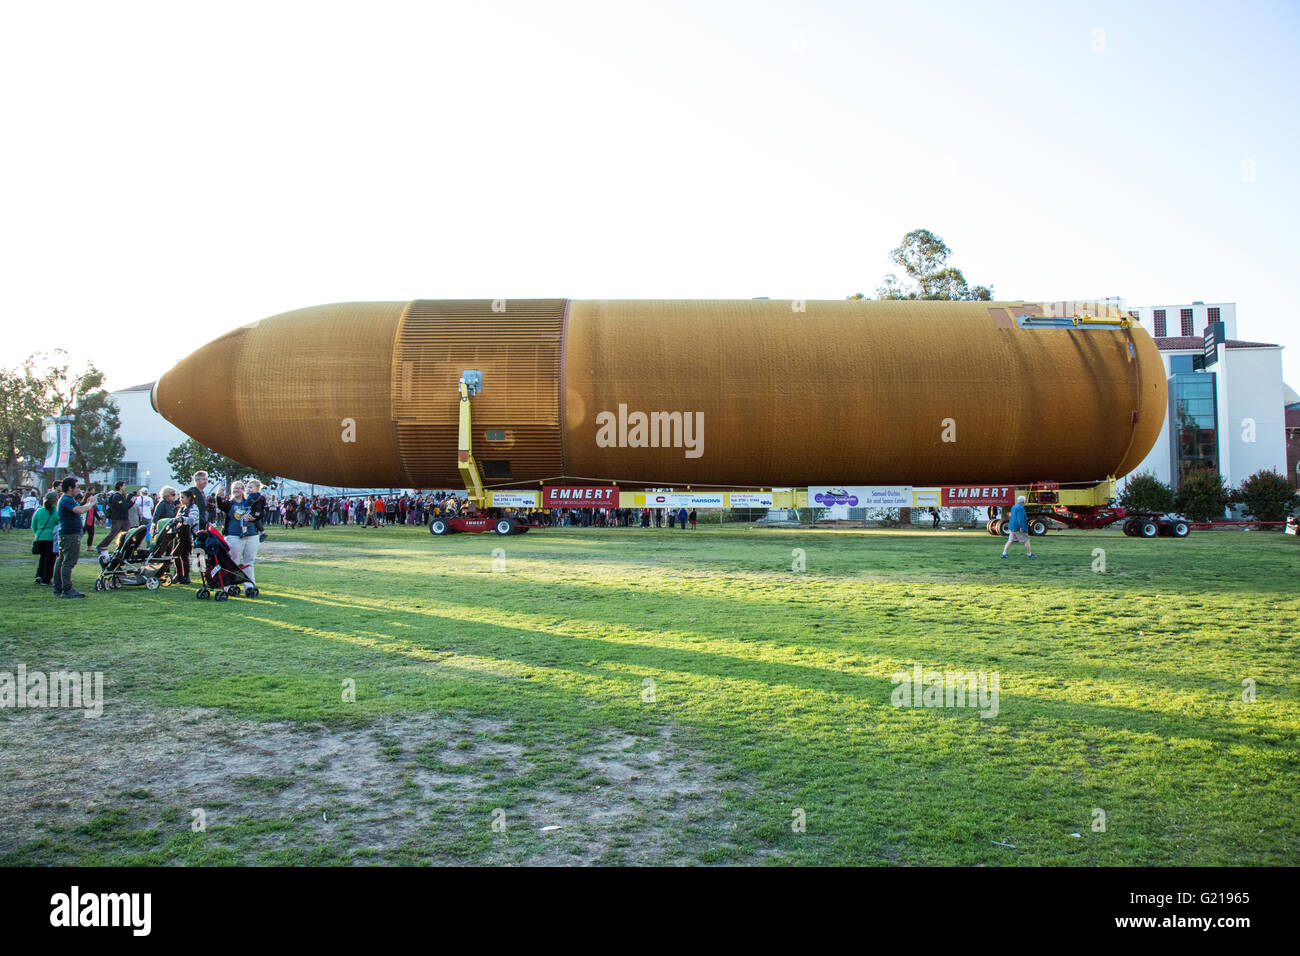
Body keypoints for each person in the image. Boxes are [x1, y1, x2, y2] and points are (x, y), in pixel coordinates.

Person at [53, 476, 96, 598]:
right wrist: (91, 504)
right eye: (76, 487)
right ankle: (66, 589)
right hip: (70, 535)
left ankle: (58, 587)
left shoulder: (67, 499)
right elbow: (79, 510)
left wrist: (88, 503)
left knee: (61, 560)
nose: (78, 489)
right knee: (68, 562)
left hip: (67, 534)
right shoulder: (66, 499)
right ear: (70, 488)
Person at [215, 481, 261, 594]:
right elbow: (220, 505)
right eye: (235, 488)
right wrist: (218, 496)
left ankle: (249, 585)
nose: (237, 490)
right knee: (232, 562)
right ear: (231, 490)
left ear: (243, 490)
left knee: (248, 562)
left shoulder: (249, 502)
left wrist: (254, 519)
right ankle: (228, 585)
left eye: (240, 488)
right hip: (233, 535)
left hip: (251, 535)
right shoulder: (230, 504)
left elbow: (259, 514)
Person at [32, 491, 58, 585]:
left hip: (39, 537)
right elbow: (59, 523)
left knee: (42, 557)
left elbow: (34, 525)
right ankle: (46, 579)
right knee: (50, 559)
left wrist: (37, 533)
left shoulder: (39, 511)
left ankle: (39, 575)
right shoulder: (56, 512)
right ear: (55, 501)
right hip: (51, 538)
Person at [104, 479, 131, 547]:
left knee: (125, 534)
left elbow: (126, 506)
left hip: (124, 518)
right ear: (120, 487)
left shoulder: (122, 496)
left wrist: (131, 502)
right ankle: (102, 546)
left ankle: (122, 547)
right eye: (124, 485)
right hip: (117, 518)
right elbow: (122, 506)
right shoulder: (116, 496)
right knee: (113, 534)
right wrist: (129, 501)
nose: (125, 487)